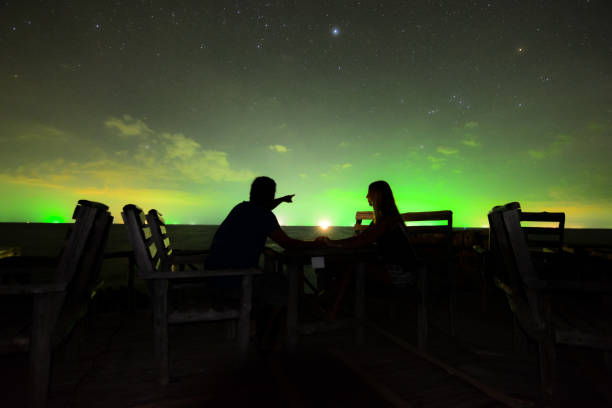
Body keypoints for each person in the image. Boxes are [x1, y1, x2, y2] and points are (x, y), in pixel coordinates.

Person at [205, 176, 321, 349]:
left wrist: (281, 200)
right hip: (233, 283)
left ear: (252, 193)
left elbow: (260, 212)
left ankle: (257, 329)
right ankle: (265, 338)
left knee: (274, 279)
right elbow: (288, 244)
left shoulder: (241, 208)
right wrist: (317, 243)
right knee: (285, 287)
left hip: (214, 279)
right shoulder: (264, 215)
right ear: (271, 195)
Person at [320, 180, 419, 288]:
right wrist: (332, 242)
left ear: (377, 196)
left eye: (369, 193)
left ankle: (328, 299)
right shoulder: (385, 219)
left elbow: (361, 240)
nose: (366, 196)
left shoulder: (387, 221)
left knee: (346, 267)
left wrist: (331, 243)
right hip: (396, 270)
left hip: (400, 274)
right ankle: (329, 296)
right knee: (326, 264)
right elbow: (363, 238)